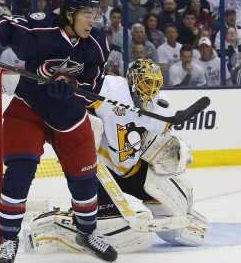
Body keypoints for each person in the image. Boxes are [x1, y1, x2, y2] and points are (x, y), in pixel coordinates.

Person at [0, 0, 117, 262]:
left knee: (85, 180)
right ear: (69, 13)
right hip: (30, 108)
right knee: (20, 173)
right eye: (86, 14)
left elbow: (92, 85)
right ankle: (9, 241)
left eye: (95, 14)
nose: (92, 21)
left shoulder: (97, 42)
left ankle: (88, 233)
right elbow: (0, 25)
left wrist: (72, 88)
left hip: (69, 117)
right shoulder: (42, 28)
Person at [25, 59, 208, 254]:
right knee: (120, 235)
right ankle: (52, 227)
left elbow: (159, 138)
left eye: (155, 83)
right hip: (101, 172)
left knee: (179, 213)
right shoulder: (110, 89)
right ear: (133, 80)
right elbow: (79, 100)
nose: (151, 89)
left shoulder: (160, 105)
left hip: (132, 171)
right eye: (146, 82)